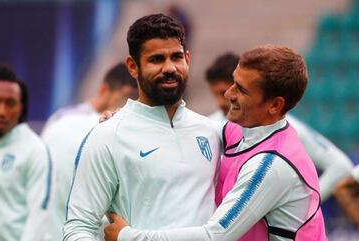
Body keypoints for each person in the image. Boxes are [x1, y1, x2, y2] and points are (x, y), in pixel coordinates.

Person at [104, 45, 328, 241]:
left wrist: (128, 236)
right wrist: (132, 118)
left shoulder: (271, 165)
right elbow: (189, 127)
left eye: (241, 90)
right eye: (234, 83)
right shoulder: (244, 132)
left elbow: (215, 235)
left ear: (274, 106)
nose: (228, 95)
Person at [62, 13, 222, 241]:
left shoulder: (211, 131)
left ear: (188, 59)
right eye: (156, 59)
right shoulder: (109, 135)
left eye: (176, 57)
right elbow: (78, 228)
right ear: (132, 67)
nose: (170, 68)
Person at [205, 52, 353, 202]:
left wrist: (307, 205)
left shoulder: (286, 128)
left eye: (238, 88)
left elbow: (341, 166)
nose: (222, 100)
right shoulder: (211, 126)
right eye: (215, 94)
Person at [41, 63, 137, 241]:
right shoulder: (112, 130)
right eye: (129, 97)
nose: (128, 106)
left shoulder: (58, 119)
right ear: (104, 89)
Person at [0, 63, 52, 241]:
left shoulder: (34, 149)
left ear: (21, 108)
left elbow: (38, 219)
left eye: (10, 103)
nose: (1, 111)